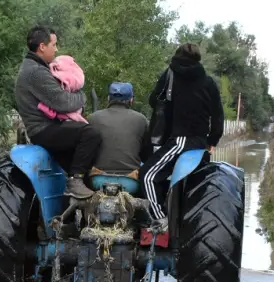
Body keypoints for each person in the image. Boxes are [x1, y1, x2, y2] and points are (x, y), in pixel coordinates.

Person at [140, 43, 225, 226]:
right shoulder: (208, 82)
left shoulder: (170, 75)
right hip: (200, 144)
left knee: (148, 174)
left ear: (177, 57)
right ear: (198, 59)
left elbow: (154, 100)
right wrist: (212, 140)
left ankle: (160, 218)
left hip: (180, 140)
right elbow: (218, 115)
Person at [15, 26, 100, 199]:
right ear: (42, 47)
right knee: (91, 134)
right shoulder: (36, 72)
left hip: (44, 128)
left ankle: (77, 201)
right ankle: (74, 183)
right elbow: (63, 102)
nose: (56, 49)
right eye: (53, 44)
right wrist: (82, 97)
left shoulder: (32, 68)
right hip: (44, 129)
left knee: (85, 166)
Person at [88, 82, 153, 176]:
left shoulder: (92, 118)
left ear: (108, 98)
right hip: (131, 178)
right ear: (131, 100)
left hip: (97, 177)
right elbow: (147, 154)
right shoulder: (141, 119)